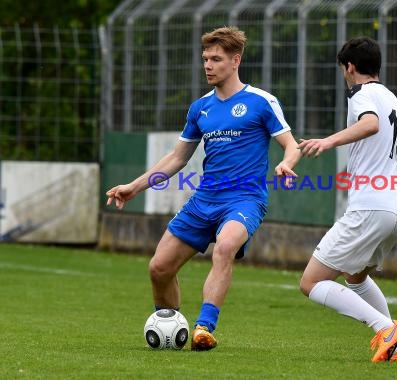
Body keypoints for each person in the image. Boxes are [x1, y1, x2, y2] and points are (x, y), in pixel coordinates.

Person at [106, 26, 300, 350]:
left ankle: (204, 328)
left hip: (245, 198)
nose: (208, 65)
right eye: (205, 59)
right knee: (159, 268)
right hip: (204, 199)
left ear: (235, 60)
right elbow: (177, 158)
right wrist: (134, 186)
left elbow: (291, 145)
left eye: (216, 59)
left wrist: (287, 163)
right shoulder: (200, 108)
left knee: (224, 247)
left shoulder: (261, 102)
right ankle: (170, 328)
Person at [297, 37, 397, 363]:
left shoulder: (362, 95)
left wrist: (329, 141)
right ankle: (395, 349)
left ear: (349, 67)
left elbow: (370, 124)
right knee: (356, 276)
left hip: (370, 207)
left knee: (310, 282)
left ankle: (384, 328)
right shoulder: (391, 97)